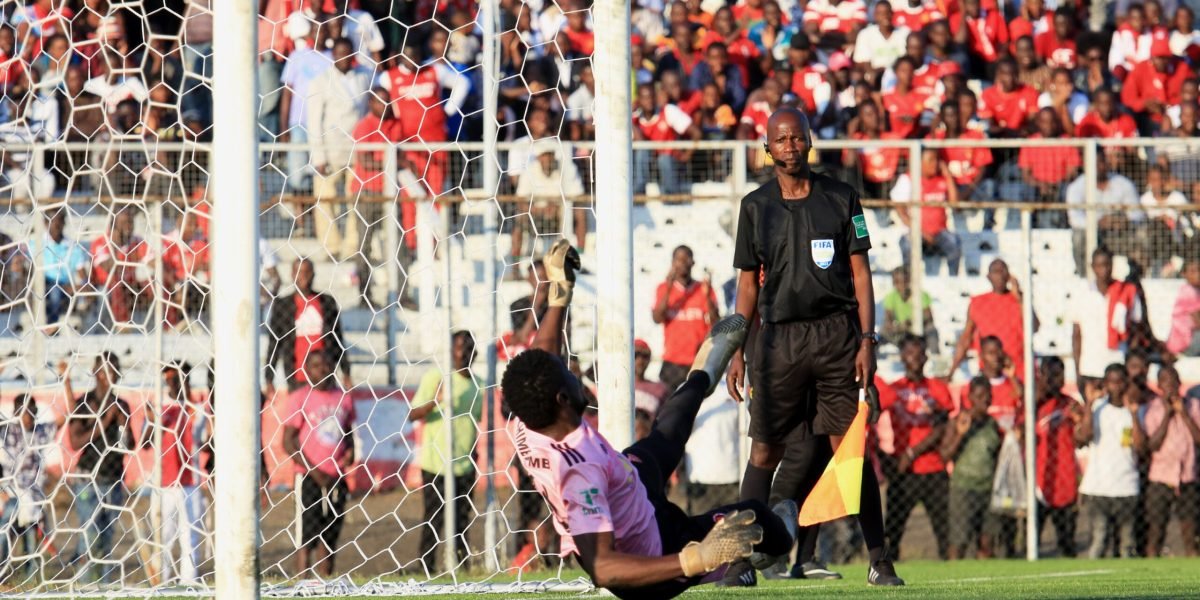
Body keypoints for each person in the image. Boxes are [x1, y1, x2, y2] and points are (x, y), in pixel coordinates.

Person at [500, 240, 796, 600]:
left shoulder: (526, 420)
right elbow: (603, 569)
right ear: (562, 399)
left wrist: (559, 294)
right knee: (753, 515)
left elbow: (543, 354)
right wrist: (694, 558)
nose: (575, 372)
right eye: (569, 373)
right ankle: (779, 541)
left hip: (628, 482)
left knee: (668, 432)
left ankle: (701, 375)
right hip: (656, 552)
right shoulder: (580, 477)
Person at [726, 108, 899, 587]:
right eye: (780, 140)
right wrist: (737, 347)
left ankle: (879, 560)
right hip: (779, 340)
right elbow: (746, 288)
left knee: (851, 451)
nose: (789, 146)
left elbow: (862, 275)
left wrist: (868, 340)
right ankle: (741, 563)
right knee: (764, 452)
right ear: (767, 147)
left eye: (796, 138)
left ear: (809, 142)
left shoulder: (842, 198)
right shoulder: (754, 206)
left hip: (836, 337)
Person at [408, 331, 481, 572]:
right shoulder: (436, 377)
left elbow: (474, 424)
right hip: (435, 464)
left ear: (475, 352)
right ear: (450, 351)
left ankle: (462, 567)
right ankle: (424, 567)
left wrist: (475, 456)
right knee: (434, 518)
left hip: (465, 466)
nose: (464, 352)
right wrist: (436, 401)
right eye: (459, 347)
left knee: (461, 521)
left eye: (468, 347)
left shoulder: (478, 384)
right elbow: (412, 414)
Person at [281, 352, 356, 577]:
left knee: (330, 535)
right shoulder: (299, 398)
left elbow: (348, 431)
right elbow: (288, 441)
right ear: (306, 370)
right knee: (306, 536)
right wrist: (314, 470)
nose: (321, 370)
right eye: (315, 366)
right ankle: (301, 584)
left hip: (336, 477)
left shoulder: (344, 398)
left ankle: (326, 584)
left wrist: (350, 450)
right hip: (308, 477)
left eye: (326, 364)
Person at [881, 334, 953, 561]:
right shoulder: (892, 390)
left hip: (932, 469)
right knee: (892, 531)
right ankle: (888, 573)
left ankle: (952, 577)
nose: (914, 357)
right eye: (909, 352)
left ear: (925, 356)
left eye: (919, 352)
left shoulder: (937, 389)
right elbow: (869, 420)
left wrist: (912, 453)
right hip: (903, 473)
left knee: (945, 532)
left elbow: (942, 427)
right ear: (902, 356)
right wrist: (885, 459)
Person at [67, 352, 135, 583]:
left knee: (107, 538)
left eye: (115, 369)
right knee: (90, 534)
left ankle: (104, 588)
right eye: (107, 369)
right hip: (88, 480)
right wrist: (105, 421)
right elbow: (75, 442)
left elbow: (130, 446)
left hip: (113, 479)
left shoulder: (122, 405)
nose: (111, 374)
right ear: (96, 372)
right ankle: (85, 586)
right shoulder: (84, 403)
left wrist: (124, 427)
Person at [307, 37, 373, 262]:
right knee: (326, 200)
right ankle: (330, 246)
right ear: (333, 55)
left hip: (357, 150)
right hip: (330, 149)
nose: (344, 58)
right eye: (339, 53)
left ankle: (353, 246)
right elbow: (314, 121)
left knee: (357, 198)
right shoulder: (320, 81)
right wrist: (318, 156)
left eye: (348, 52)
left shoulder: (364, 77)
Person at [1076, 363, 1144, 559]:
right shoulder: (1098, 408)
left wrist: (1133, 414)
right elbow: (1085, 436)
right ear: (1106, 384)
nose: (1116, 387)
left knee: (1127, 544)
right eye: (1112, 382)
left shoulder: (1134, 410)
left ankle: (1126, 587)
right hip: (1099, 487)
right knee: (1099, 540)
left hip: (1126, 486)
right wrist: (1089, 403)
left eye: (1120, 382)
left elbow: (1140, 447)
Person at [150, 363, 205, 584]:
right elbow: (145, 441)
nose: (173, 383)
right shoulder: (159, 407)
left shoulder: (197, 408)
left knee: (189, 535)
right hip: (164, 483)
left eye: (178, 378)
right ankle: (161, 582)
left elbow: (201, 438)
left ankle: (188, 583)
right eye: (170, 379)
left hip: (190, 481)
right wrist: (154, 421)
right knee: (163, 537)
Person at [1141, 366, 1200, 557]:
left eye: (1173, 381)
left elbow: (1198, 439)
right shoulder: (1153, 409)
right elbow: (1153, 445)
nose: (1170, 386)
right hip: (1161, 477)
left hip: (1187, 477)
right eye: (1165, 381)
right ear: (1158, 385)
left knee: (1189, 533)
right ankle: (1152, 575)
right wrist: (1168, 414)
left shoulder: (1193, 406)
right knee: (1156, 532)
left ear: (1179, 383)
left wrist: (1183, 413)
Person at [940, 376, 1001, 560]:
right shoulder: (959, 421)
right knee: (959, 541)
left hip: (987, 488)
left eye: (987, 396)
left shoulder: (992, 424)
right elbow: (945, 455)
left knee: (987, 541)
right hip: (964, 487)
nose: (984, 400)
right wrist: (960, 434)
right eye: (979, 396)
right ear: (970, 398)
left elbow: (996, 455)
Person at [265, 259, 346, 394]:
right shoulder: (282, 306)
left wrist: (346, 372)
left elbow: (338, 339)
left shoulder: (327, 302)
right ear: (292, 275)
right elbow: (274, 344)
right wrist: (269, 379)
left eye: (307, 272)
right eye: (299, 272)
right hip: (296, 377)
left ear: (313, 274)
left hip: (325, 376)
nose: (303, 277)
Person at [1073, 248, 1143, 397]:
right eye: (1099, 265)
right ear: (1092, 267)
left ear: (1112, 265)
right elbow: (1077, 334)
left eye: (1107, 265)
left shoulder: (1126, 291)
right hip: (1090, 366)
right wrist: (1077, 369)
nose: (1103, 270)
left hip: (1117, 365)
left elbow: (1137, 329)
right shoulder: (1082, 293)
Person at [0, 393, 56, 579]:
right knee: (5, 531)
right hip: (11, 495)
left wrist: (66, 380)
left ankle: (30, 581)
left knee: (31, 542)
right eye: (24, 412)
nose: (28, 416)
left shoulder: (40, 432)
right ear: (15, 412)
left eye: (32, 411)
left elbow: (67, 417)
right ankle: (2, 573)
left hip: (34, 497)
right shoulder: (5, 432)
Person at [652, 246, 720, 390]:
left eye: (686, 259)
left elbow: (716, 322)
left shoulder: (704, 288)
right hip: (672, 360)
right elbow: (657, 318)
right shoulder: (663, 288)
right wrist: (669, 288)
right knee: (667, 407)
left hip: (698, 361)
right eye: (678, 259)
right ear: (672, 262)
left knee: (694, 406)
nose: (682, 263)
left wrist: (708, 296)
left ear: (693, 262)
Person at [948, 259, 1026, 380]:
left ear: (1008, 275)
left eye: (1002, 271)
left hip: (1019, 370)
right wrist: (951, 372)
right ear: (989, 277)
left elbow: (1034, 327)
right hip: (990, 372)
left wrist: (1020, 299)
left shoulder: (1019, 300)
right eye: (995, 271)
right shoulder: (978, 303)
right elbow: (966, 338)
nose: (999, 275)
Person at [889, 148, 962, 275]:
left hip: (940, 232)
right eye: (931, 160)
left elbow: (955, 205)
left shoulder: (941, 179)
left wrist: (948, 176)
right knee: (907, 244)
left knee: (954, 243)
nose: (935, 163)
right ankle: (909, 281)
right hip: (917, 232)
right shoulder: (907, 179)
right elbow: (902, 212)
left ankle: (953, 282)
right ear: (920, 162)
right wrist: (922, 231)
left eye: (937, 159)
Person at [1034, 357, 1080, 557]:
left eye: (1059, 374)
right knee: (1032, 540)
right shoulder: (1032, 407)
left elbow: (1083, 438)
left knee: (1067, 543)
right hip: (1038, 483)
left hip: (1064, 482)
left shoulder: (1070, 405)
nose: (1055, 379)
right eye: (1049, 374)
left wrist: (1080, 421)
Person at [682, 374, 741, 515]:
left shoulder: (734, 386)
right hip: (699, 477)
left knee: (732, 532)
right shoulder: (686, 389)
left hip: (732, 476)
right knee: (700, 532)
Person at [41, 208, 88, 326]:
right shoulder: (36, 244)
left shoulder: (73, 246)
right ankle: (51, 326)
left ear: (64, 223)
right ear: (45, 223)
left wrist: (83, 285)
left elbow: (82, 273)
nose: (56, 225)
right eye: (53, 221)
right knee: (54, 290)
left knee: (59, 290)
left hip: (66, 287)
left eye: (59, 221)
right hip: (42, 286)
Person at [1166, 258, 1200, 357]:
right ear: (1184, 274)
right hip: (1184, 344)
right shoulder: (1188, 292)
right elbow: (1197, 321)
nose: (1198, 274)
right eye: (1193, 271)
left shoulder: (1196, 290)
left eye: (1199, 270)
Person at [633, 339, 669, 418]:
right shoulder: (616, 386)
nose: (640, 360)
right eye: (636, 355)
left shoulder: (660, 389)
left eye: (645, 356)